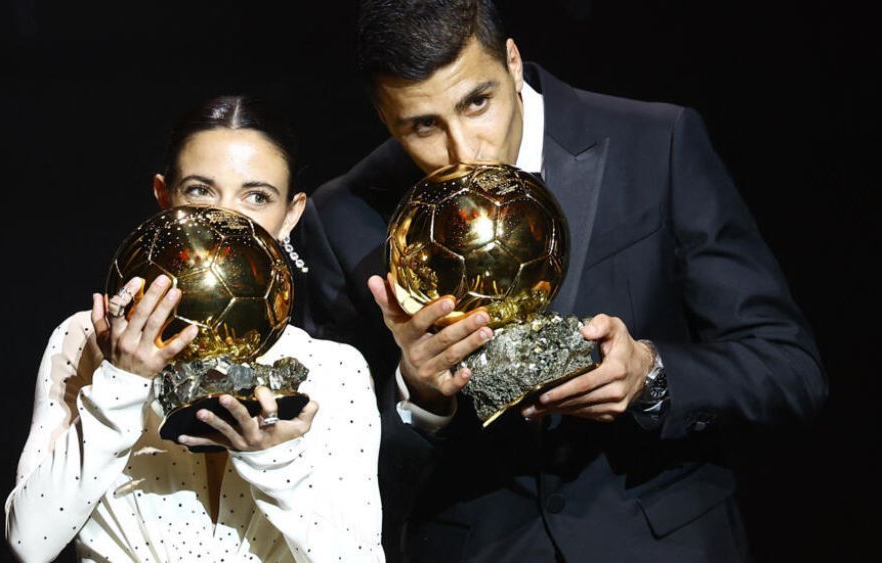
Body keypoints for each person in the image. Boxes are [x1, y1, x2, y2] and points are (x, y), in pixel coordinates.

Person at [294, 1, 827, 561]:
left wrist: (652, 373)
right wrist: (419, 397)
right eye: (423, 125)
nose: (462, 150)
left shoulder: (657, 142)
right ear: (384, 116)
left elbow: (788, 366)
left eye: (478, 103)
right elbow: (331, 473)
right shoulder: (343, 217)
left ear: (514, 62)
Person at [5, 96, 385, 562]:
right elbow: (29, 541)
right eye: (201, 191)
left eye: (257, 196)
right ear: (165, 199)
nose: (224, 220)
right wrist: (121, 382)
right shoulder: (85, 339)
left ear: (291, 215)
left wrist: (273, 461)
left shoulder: (332, 370)